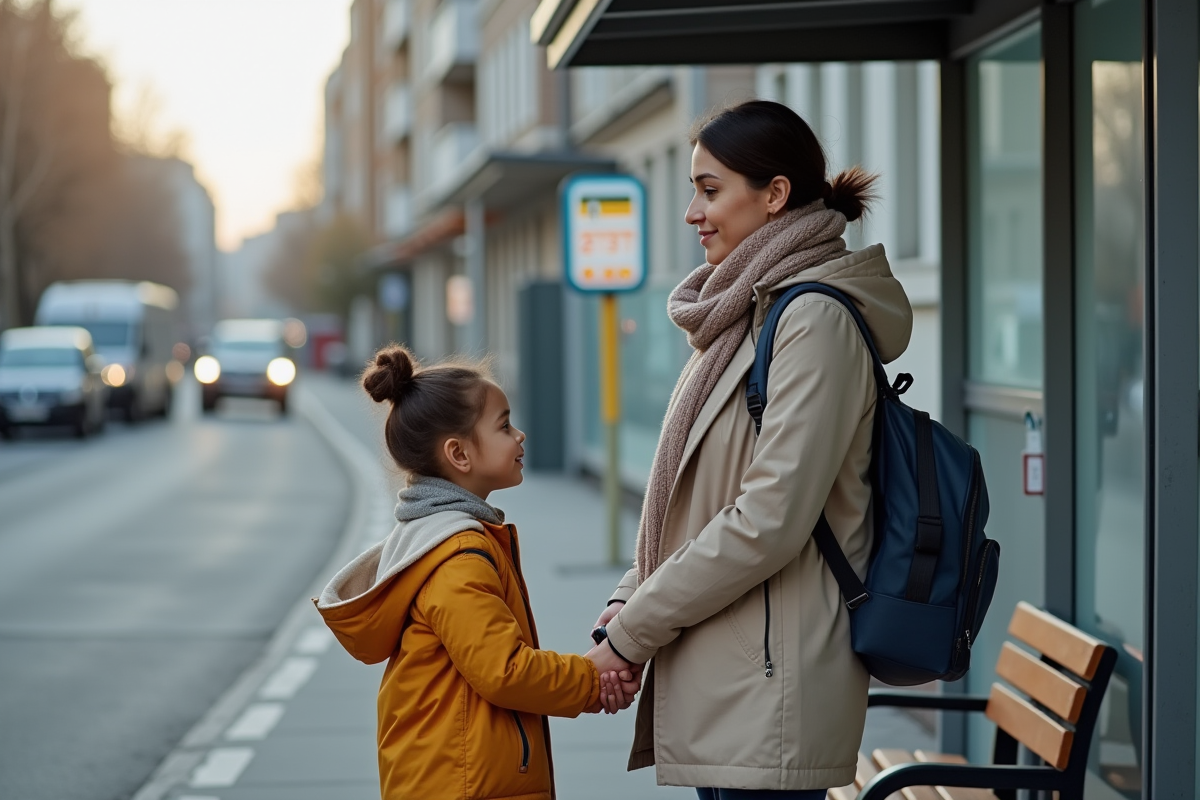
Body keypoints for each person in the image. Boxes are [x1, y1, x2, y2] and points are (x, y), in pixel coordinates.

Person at [585, 100, 915, 798]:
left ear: (774, 196)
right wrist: (627, 597)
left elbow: (769, 518)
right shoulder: (748, 314)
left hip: (772, 687)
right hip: (735, 672)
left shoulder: (813, 320)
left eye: (709, 190)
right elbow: (695, 489)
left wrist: (633, 632)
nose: (691, 213)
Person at [315, 346, 640, 800]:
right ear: (459, 454)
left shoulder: (438, 539)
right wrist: (591, 677)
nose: (519, 435)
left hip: (458, 775)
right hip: (465, 784)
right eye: (504, 425)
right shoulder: (457, 558)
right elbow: (505, 671)